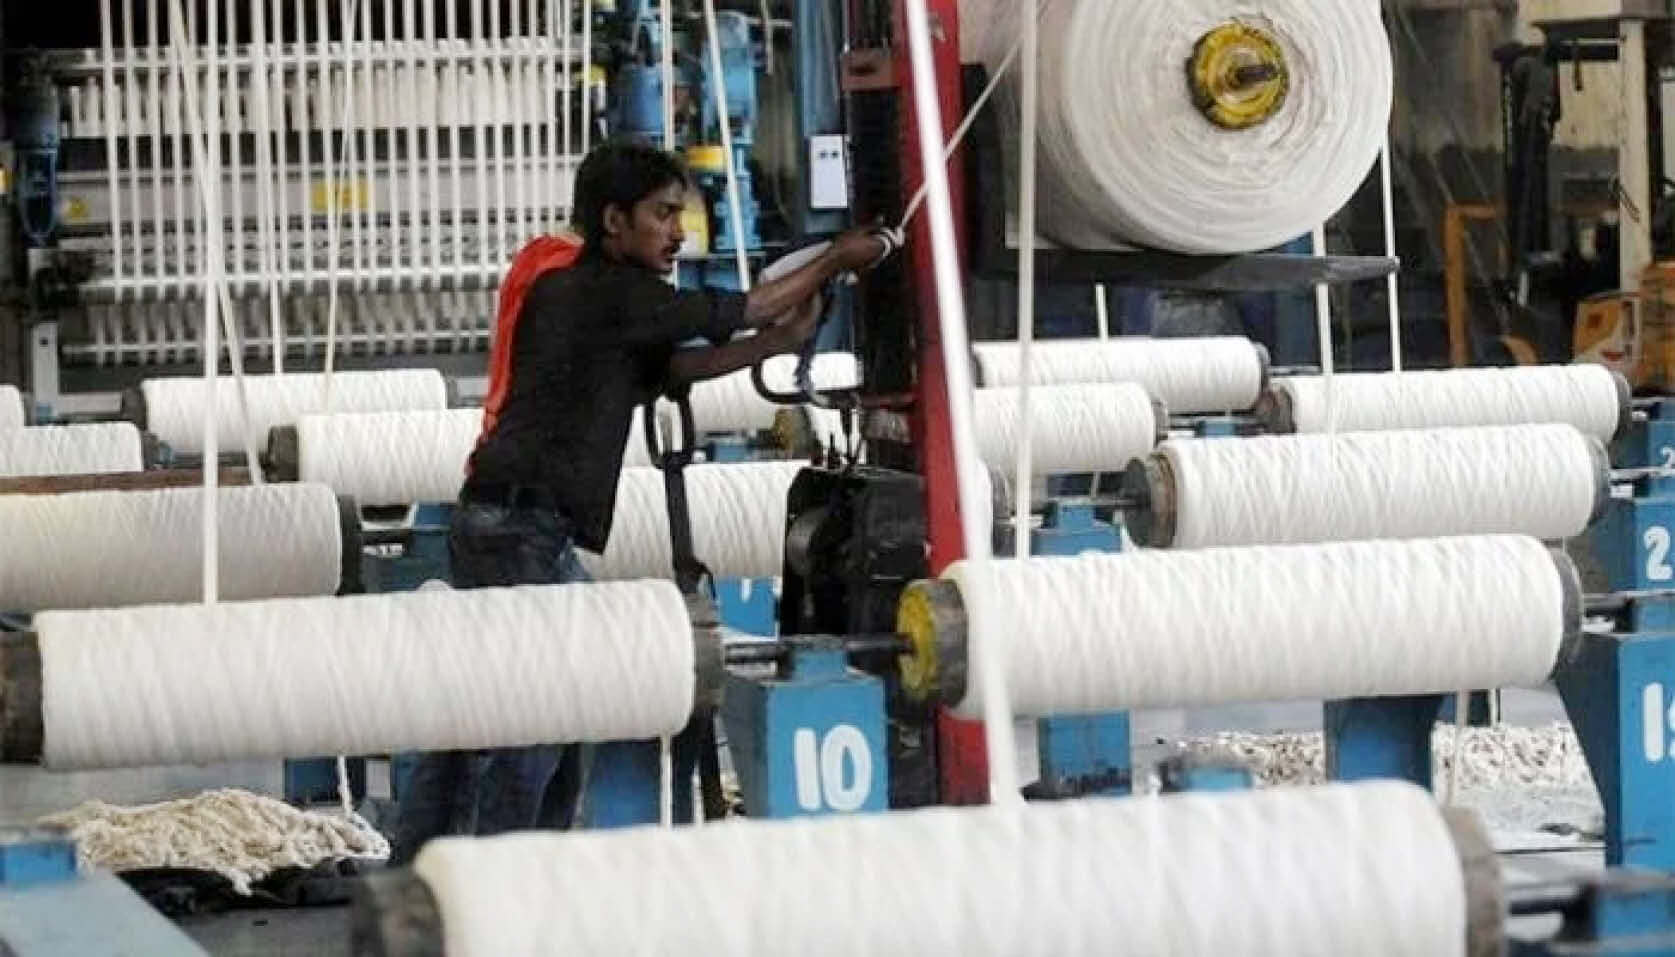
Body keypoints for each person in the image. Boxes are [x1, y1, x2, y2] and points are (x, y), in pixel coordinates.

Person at [389, 141, 894, 863]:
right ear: (613, 221)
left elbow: (677, 368)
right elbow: (744, 306)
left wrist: (778, 341)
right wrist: (838, 258)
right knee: (537, 721)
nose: (677, 232)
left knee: (487, 715)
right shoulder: (607, 291)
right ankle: (500, 883)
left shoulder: (592, 299)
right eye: (662, 214)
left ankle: (421, 871)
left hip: (509, 523)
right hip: (521, 529)